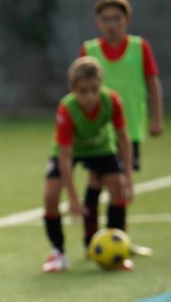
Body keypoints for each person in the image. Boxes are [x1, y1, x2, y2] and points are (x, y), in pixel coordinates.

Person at [78, 0, 162, 250]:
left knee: (118, 183)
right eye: (106, 19)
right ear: (98, 24)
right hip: (97, 130)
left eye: (117, 18)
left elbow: (152, 82)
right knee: (98, 180)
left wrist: (156, 117)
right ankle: (92, 240)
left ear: (127, 20)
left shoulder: (139, 47)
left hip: (129, 127)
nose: (112, 24)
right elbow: (77, 88)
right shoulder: (89, 50)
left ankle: (117, 241)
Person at [41, 57, 134, 273]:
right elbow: (65, 154)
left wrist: (128, 176)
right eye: (83, 91)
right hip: (69, 150)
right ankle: (58, 253)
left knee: (118, 189)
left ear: (100, 85)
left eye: (94, 89)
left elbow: (122, 137)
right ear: (72, 89)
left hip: (100, 148)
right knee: (51, 195)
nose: (90, 96)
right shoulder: (67, 109)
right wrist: (73, 197)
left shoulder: (111, 101)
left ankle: (118, 249)